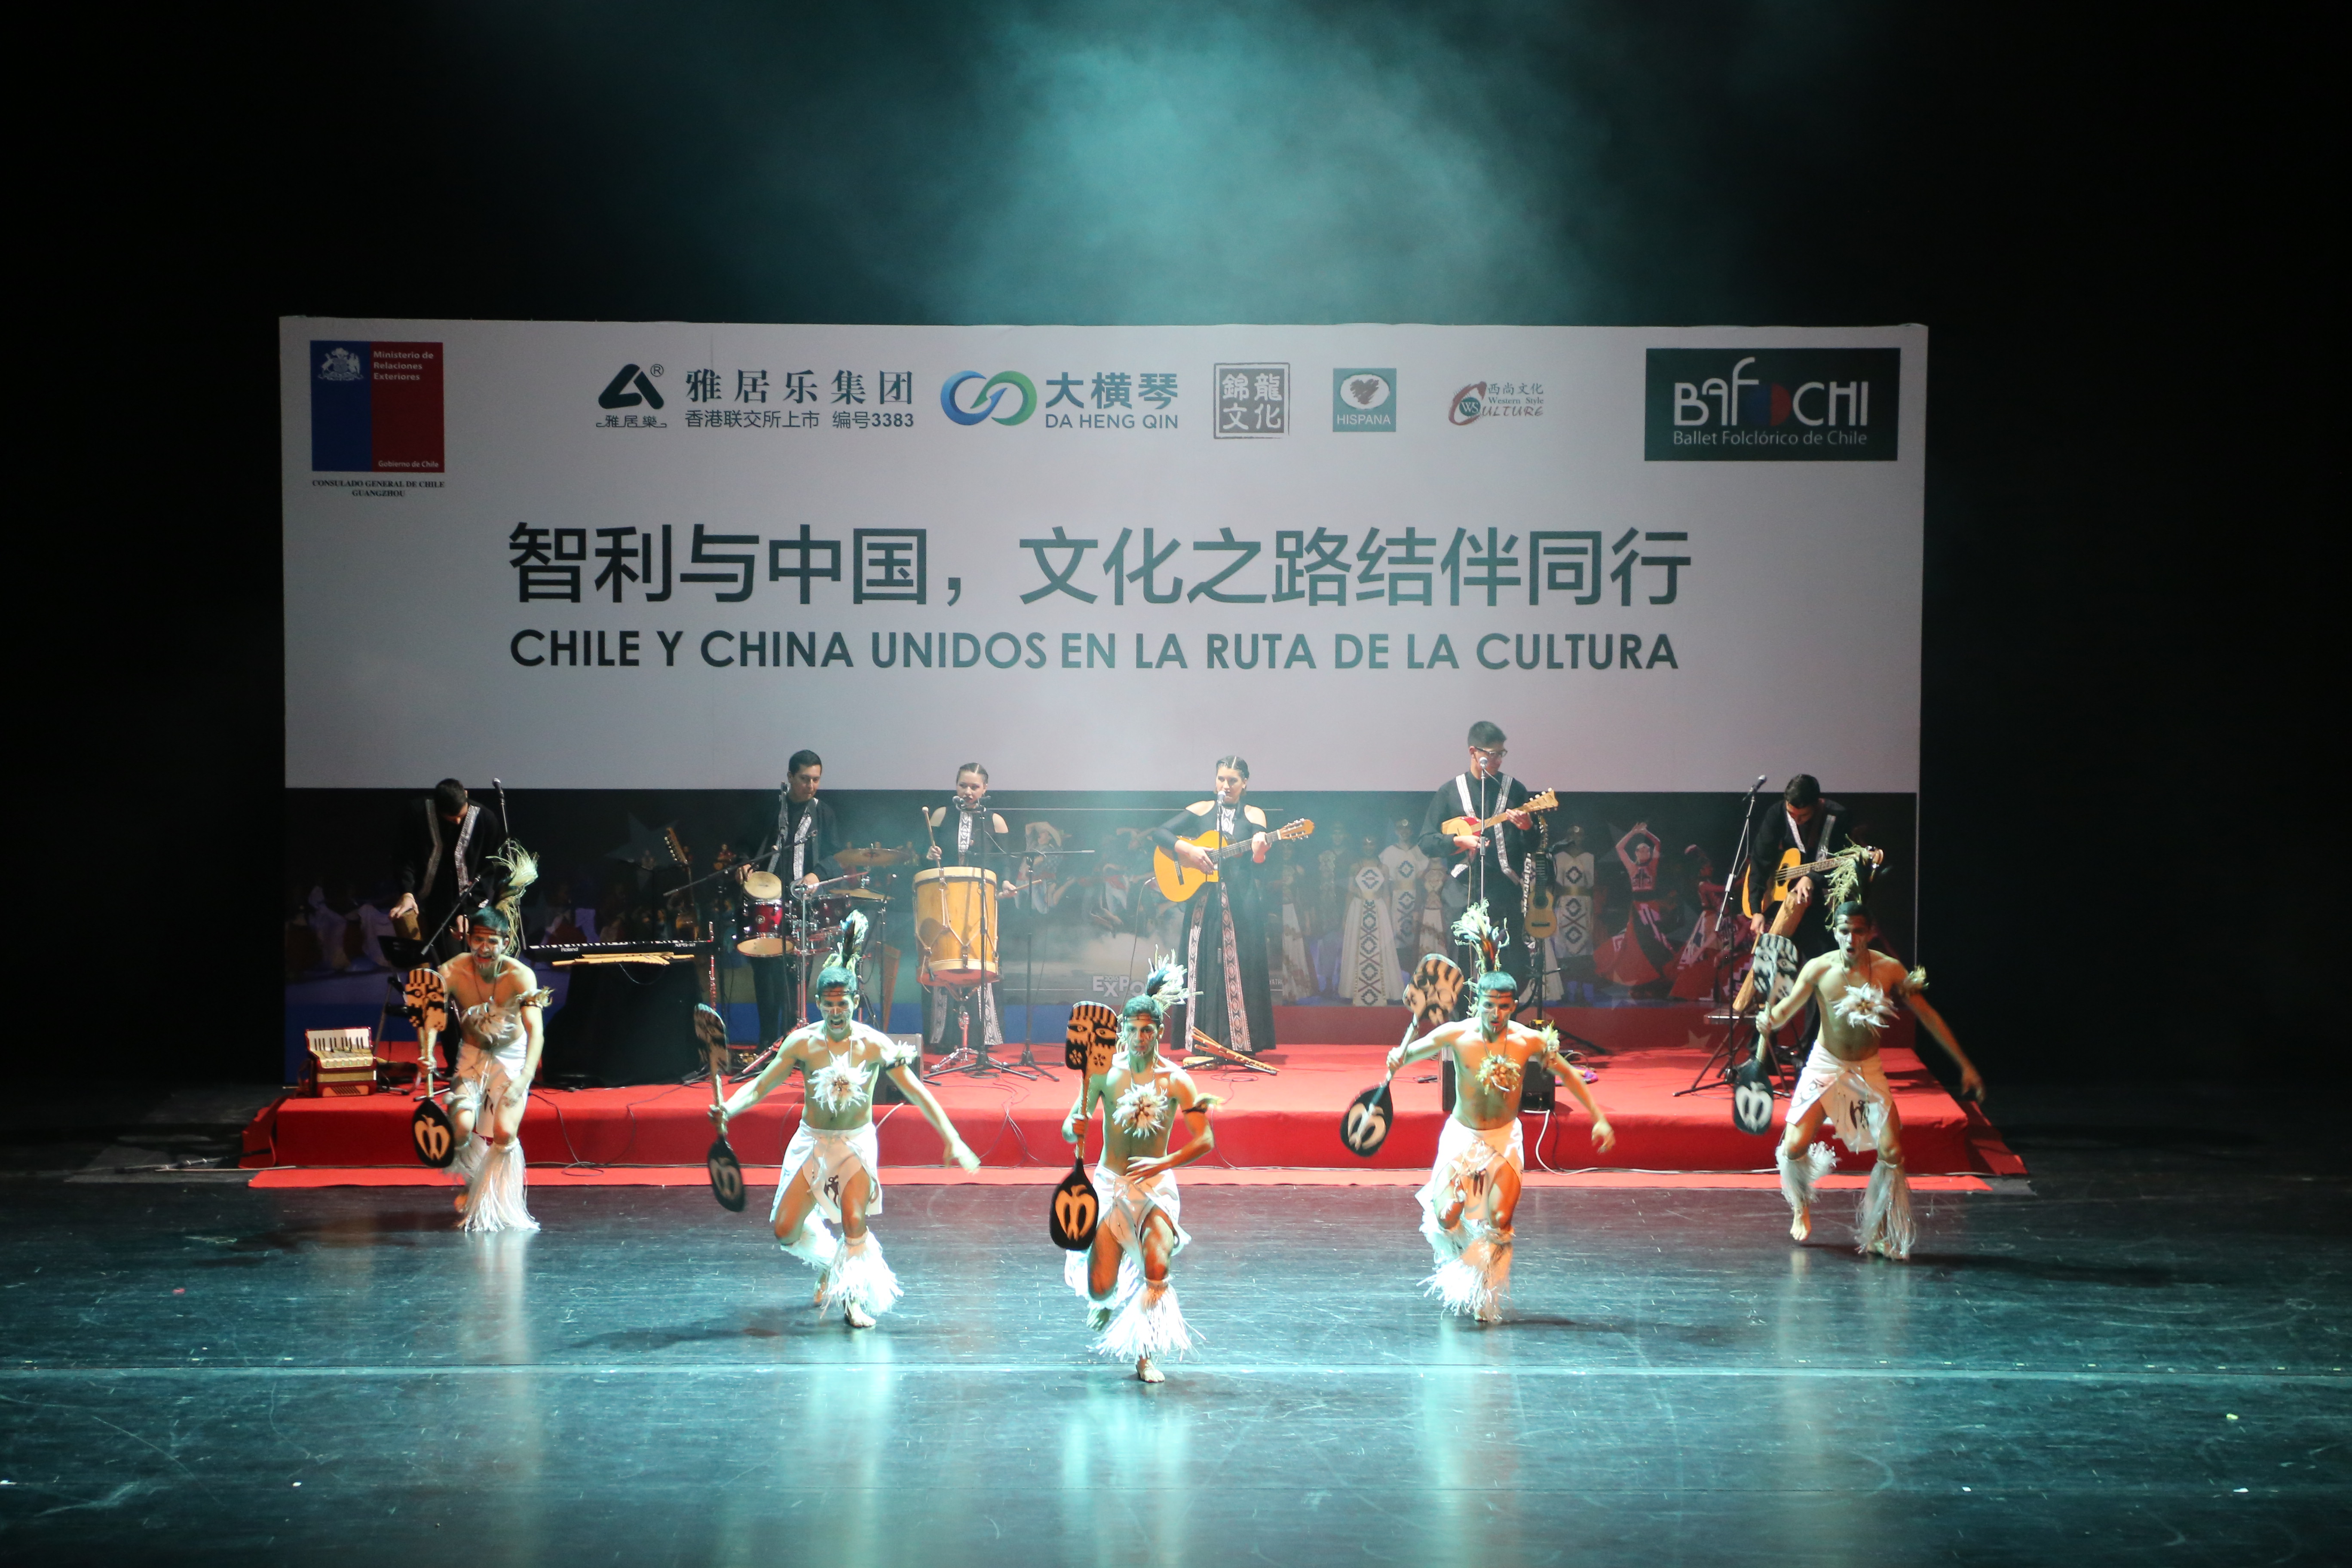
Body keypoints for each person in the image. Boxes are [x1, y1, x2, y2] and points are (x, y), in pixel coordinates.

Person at [709, 912, 981, 1326]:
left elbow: (918, 1093)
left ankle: (852, 1297)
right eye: (829, 1005)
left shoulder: (874, 1045)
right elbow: (760, 1088)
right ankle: (829, 1265)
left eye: (844, 1004)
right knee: (785, 1230)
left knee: (854, 1220)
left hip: (855, 1143)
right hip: (812, 1142)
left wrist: (953, 1138)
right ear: (819, 1004)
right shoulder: (803, 1043)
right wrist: (729, 1108)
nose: (836, 1012)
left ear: (855, 1001)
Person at [1386, 904, 1616, 1323]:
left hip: (1504, 1139)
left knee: (1501, 1221)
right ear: (1478, 1002)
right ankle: (1463, 1269)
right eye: (1490, 1006)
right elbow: (1411, 1052)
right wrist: (1397, 1056)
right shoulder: (1457, 1035)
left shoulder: (1528, 1041)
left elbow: (1568, 1073)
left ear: (1514, 1006)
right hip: (1463, 1136)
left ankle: (1484, 1293)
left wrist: (1598, 1115)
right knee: (1447, 1216)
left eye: (1505, 1007)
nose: (1496, 1015)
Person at [1761, 898, 1983, 1260]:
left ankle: (1877, 1233)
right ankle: (1801, 1206)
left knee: (1892, 1153)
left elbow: (1928, 1016)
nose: (1851, 939)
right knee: (1795, 1147)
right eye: (1844, 931)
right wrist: (1769, 1020)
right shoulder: (1819, 968)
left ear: (1870, 933)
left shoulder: (1889, 970)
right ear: (1835, 932)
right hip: (1825, 1065)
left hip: (1866, 1068)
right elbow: (1786, 1010)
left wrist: (1964, 1064)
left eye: (1858, 932)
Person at [1060, 958, 1219, 1382]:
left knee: (1157, 1267)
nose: (1139, 1038)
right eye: (1132, 1030)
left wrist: (1164, 1162)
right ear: (1122, 1031)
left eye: (1147, 1030)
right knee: (1100, 1286)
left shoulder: (1177, 1080)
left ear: (1159, 1032)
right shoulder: (1103, 1074)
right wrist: (1074, 1126)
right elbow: (1070, 1125)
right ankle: (1105, 1299)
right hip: (1110, 1186)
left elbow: (1205, 1140)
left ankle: (1146, 1355)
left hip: (1155, 1188)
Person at [413, 844, 545, 1233]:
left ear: (505, 941)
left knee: (504, 1132)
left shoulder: (520, 977)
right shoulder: (452, 971)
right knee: (461, 1126)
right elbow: (429, 1014)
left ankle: (495, 1202)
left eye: (492, 942)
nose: (484, 949)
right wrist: (426, 1052)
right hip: (471, 1056)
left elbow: (536, 1030)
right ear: (468, 939)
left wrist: (525, 1077)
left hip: (512, 1057)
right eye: (477, 940)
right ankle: (472, 1181)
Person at [1152, 756, 1279, 1056]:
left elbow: (1258, 860)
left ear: (1245, 783)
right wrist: (1190, 850)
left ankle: (1242, 1042)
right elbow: (1160, 833)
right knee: (1202, 962)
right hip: (1204, 900)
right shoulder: (1201, 809)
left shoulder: (1254, 815)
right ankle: (1201, 1041)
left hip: (1241, 900)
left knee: (1243, 964)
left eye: (1233, 780)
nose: (1226, 785)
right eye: (1221, 779)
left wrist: (1260, 853)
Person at [1417, 722, 1537, 985]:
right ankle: (1464, 1010)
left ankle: (1505, 1010)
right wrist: (1457, 841)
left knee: (1509, 963)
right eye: (1491, 754)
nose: (1498, 760)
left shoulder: (1515, 790)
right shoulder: (1450, 791)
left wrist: (1528, 828)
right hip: (1463, 890)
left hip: (1504, 890)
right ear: (1473, 752)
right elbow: (1426, 841)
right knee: (1464, 962)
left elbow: (1534, 845)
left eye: (1501, 754)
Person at [744, 750, 841, 1048]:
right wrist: (744, 866)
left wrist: (817, 874)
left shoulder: (824, 813)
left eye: (816, 780)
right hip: (767, 902)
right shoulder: (770, 808)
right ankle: (766, 1041)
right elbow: (745, 845)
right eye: (804, 779)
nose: (811, 786)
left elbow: (836, 857)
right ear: (789, 778)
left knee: (796, 975)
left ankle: (792, 1041)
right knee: (765, 972)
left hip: (803, 904)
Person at [922, 763, 1013, 1055]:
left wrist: (1006, 883)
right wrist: (929, 854)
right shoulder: (941, 815)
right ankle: (943, 1036)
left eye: (975, 787)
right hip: (945, 902)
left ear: (985, 789)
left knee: (981, 961)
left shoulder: (995, 821)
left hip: (981, 904)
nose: (968, 791)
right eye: (963, 785)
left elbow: (1004, 865)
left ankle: (982, 1036)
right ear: (956, 786)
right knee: (945, 960)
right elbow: (924, 862)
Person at [392, 779, 507, 962]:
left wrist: (468, 913)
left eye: (461, 815)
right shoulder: (417, 813)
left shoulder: (486, 820)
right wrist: (407, 892)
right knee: (419, 965)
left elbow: (489, 871)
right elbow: (405, 857)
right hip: (422, 901)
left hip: (461, 904)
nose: (458, 821)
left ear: (466, 795)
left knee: (453, 964)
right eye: (451, 817)